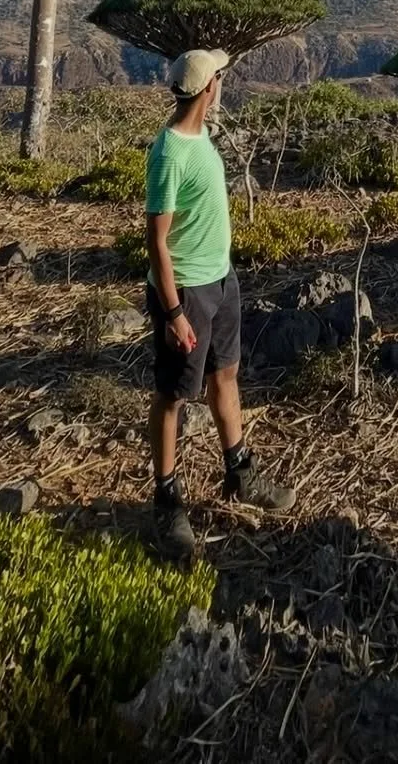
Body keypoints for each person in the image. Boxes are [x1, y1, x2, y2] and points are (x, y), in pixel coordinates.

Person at [146, 47, 294, 554]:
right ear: (209, 89)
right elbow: (156, 241)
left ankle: (240, 473)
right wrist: (173, 313)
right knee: (173, 395)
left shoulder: (201, 133)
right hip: (187, 291)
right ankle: (166, 500)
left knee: (225, 375)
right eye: (219, 78)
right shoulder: (169, 153)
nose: (222, 83)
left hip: (221, 281)